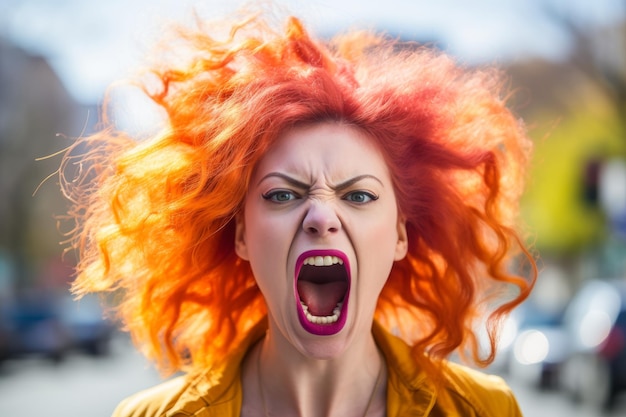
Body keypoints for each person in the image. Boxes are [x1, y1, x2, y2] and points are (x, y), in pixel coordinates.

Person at [60, 6, 537, 417]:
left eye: (358, 195)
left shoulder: (482, 410)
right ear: (242, 235)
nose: (320, 216)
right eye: (283, 195)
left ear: (399, 235)